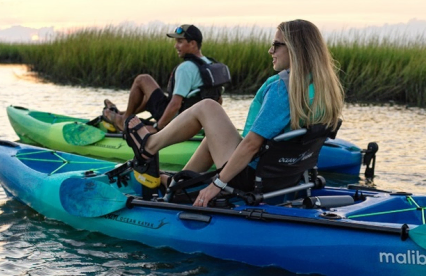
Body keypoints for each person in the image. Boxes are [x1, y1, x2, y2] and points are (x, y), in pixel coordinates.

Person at [123, 19, 344, 207]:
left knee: (208, 107)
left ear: (296, 49)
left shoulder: (282, 89)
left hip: (252, 178)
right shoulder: (325, 88)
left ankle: (148, 148)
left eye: (276, 45)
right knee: (214, 133)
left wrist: (215, 186)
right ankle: (176, 188)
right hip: (287, 177)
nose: (270, 51)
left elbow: (251, 145)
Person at [102, 24, 230, 132]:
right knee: (151, 98)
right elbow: (218, 100)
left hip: (177, 120)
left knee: (143, 79)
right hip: (195, 121)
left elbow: (175, 104)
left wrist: (159, 128)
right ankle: (124, 113)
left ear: (192, 44)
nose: (175, 46)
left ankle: (123, 121)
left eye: (180, 42)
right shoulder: (211, 65)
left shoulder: (186, 68)